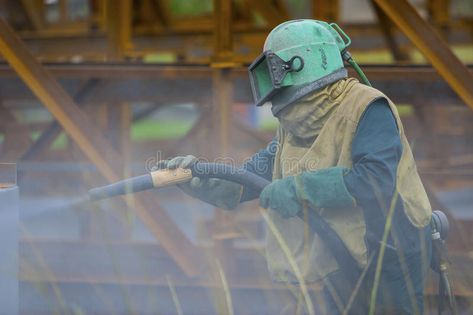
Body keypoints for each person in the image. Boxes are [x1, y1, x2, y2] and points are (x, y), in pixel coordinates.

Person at [156, 20, 432, 315]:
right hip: (341, 254)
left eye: (273, 71)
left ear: (304, 62)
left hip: (391, 253)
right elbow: (262, 171)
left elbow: (375, 181)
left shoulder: (368, 108)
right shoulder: (295, 122)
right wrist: (205, 181)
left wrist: (299, 188)